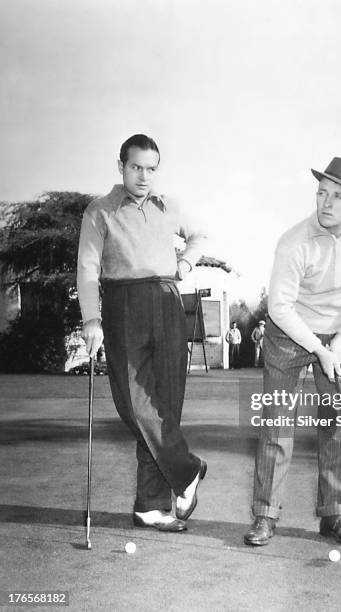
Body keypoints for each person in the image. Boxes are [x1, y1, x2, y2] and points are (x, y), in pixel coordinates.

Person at [244, 157, 341, 546]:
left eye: (338, 197)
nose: (326, 203)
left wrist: (340, 340)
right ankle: (265, 516)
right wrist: (317, 348)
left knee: (335, 426)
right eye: (322, 193)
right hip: (289, 335)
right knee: (277, 424)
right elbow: (280, 307)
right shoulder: (294, 240)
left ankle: (334, 515)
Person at [77, 134, 207, 533]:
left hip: (168, 301)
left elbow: (200, 236)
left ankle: (151, 506)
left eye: (152, 169)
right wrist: (91, 320)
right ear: (121, 167)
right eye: (137, 167)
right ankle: (187, 470)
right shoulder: (100, 211)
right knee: (134, 404)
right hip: (123, 304)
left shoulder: (169, 206)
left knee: (166, 404)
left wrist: (185, 264)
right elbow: (87, 269)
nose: (144, 176)